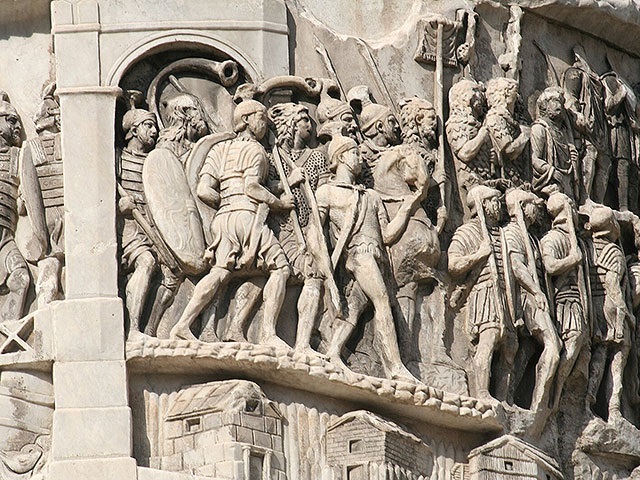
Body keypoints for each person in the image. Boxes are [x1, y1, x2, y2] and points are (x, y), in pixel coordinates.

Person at [169, 100, 294, 347]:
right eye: (262, 117)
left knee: (220, 272)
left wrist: (229, 200)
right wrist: (281, 203)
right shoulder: (256, 150)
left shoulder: (220, 149)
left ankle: (182, 325)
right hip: (248, 217)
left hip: (224, 218)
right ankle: (268, 334)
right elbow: (252, 187)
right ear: (246, 119)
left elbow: (204, 189)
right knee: (280, 269)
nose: (265, 124)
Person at [315, 135, 423, 381]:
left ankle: (332, 353)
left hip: (377, 257)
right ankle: (394, 367)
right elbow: (316, 231)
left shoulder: (371, 196)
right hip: (358, 255)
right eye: (355, 153)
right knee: (382, 301)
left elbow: (387, 235)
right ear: (341, 157)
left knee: (354, 309)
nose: (360, 158)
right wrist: (324, 266)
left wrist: (407, 207)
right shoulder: (327, 192)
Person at [448, 185, 513, 401]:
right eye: (494, 201)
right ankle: (482, 392)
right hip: (484, 293)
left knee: (510, 348)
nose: (499, 205)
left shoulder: (502, 233)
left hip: (506, 296)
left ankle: (504, 399)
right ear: (483, 204)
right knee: (488, 340)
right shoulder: (468, 231)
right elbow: (453, 264)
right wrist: (479, 254)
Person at [503, 189, 561, 413]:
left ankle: (511, 396)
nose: (536, 209)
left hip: (535, 296)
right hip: (526, 298)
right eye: (532, 205)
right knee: (553, 346)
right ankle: (538, 407)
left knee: (527, 350)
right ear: (521, 207)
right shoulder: (512, 233)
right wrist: (537, 292)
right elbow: (517, 267)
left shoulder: (531, 237)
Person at [539, 192, 588, 410]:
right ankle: (552, 392)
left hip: (578, 302)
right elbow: (550, 266)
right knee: (572, 340)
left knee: (580, 350)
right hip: (563, 301)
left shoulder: (575, 241)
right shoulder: (552, 238)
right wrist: (571, 260)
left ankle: (562, 398)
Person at [116, 101, 159, 338]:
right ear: (134, 130)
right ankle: (133, 329)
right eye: (149, 126)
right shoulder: (118, 158)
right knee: (146, 262)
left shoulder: (156, 160)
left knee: (172, 275)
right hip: (129, 227)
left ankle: (153, 330)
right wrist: (120, 206)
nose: (155, 131)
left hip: (154, 225)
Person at [22, 82, 65, 307]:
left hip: (59, 217)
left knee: (53, 268)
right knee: (50, 267)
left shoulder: (62, 143)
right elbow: (31, 194)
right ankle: (45, 311)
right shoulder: (36, 147)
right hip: (54, 218)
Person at [531, 87, 579, 200]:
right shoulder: (539, 129)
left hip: (567, 183)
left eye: (560, 102)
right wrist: (552, 172)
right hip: (549, 183)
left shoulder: (564, 132)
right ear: (545, 106)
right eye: (554, 101)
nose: (559, 105)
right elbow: (535, 159)